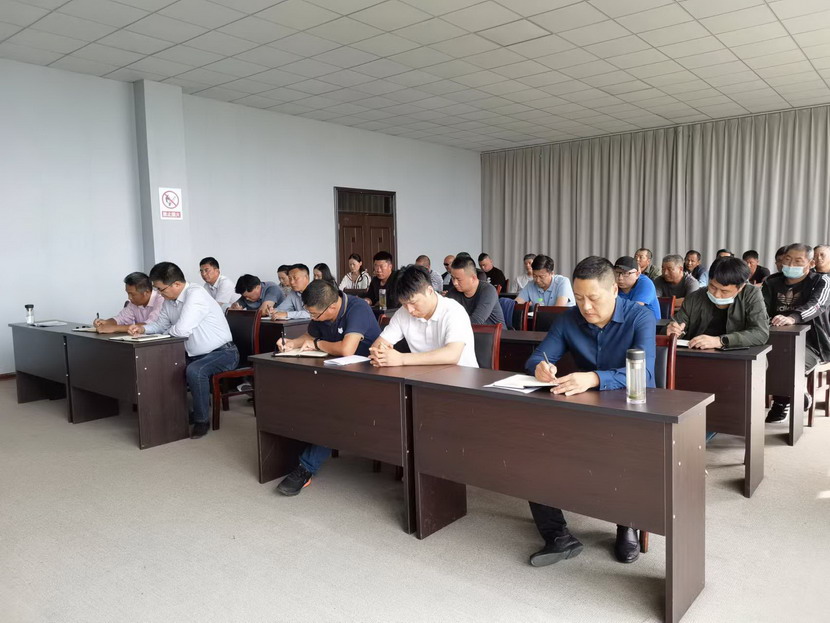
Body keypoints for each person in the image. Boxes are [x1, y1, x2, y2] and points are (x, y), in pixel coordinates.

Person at [525, 256, 656, 567]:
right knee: (532, 443)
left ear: (614, 291)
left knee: (625, 452)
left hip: (631, 408)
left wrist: (595, 378)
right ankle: (557, 535)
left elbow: (645, 375)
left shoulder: (640, 317)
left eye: (593, 298)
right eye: (579, 297)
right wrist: (541, 368)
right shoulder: (568, 319)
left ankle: (627, 523)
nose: (585, 306)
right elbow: (536, 358)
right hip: (584, 406)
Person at [274, 280, 381, 495]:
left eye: (314, 314)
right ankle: (289, 452)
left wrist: (317, 344)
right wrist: (293, 343)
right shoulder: (322, 312)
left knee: (334, 409)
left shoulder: (357, 308)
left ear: (332, 307)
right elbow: (310, 335)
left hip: (371, 377)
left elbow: (347, 349)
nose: (312, 318)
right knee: (298, 395)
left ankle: (306, 467)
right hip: (337, 373)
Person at [127, 262, 238, 439]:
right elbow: (160, 324)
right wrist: (143, 329)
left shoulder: (196, 294)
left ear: (177, 284)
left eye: (160, 289)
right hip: (194, 354)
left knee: (195, 371)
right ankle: (171, 414)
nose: (159, 294)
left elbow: (181, 331)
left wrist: (163, 332)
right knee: (162, 367)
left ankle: (201, 421)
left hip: (223, 353)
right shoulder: (169, 300)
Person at [763, 243, 830, 422]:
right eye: (787, 259)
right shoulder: (771, 282)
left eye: (798, 261)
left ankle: (782, 402)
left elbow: (817, 305)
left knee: (787, 360)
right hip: (775, 338)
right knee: (760, 357)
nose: (791, 265)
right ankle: (795, 392)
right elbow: (761, 309)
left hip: (813, 343)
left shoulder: (821, 281)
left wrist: (793, 317)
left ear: (811, 263)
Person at [368, 264, 478, 369]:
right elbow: (376, 346)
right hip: (423, 377)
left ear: (429, 291)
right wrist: (380, 353)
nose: (410, 310)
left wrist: (401, 359)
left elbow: (452, 355)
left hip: (461, 378)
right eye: (404, 304)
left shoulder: (454, 311)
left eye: (413, 302)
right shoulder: (403, 313)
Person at [667, 257, 769, 349]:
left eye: (724, 291)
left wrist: (720, 341)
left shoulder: (751, 294)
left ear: (740, 287)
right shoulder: (695, 297)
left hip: (739, 357)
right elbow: (675, 325)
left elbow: (760, 333)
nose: (717, 294)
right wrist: (672, 330)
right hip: (698, 354)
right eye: (712, 287)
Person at [93, 272, 164, 334]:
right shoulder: (133, 303)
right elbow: (120, 318)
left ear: (146, 292)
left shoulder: (161, 300)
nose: (129, 297)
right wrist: (106, 322)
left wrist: (114, 328)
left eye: (132, 294)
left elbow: (150, 325)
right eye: (128, 293)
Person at [447, 256, 506, 327]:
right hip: (466, 332)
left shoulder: (488, 291)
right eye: (453, 278)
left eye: (459, 279)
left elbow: (476, 322)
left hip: (495, 333)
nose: (455, 283)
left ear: (473, 278)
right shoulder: (453, 292)